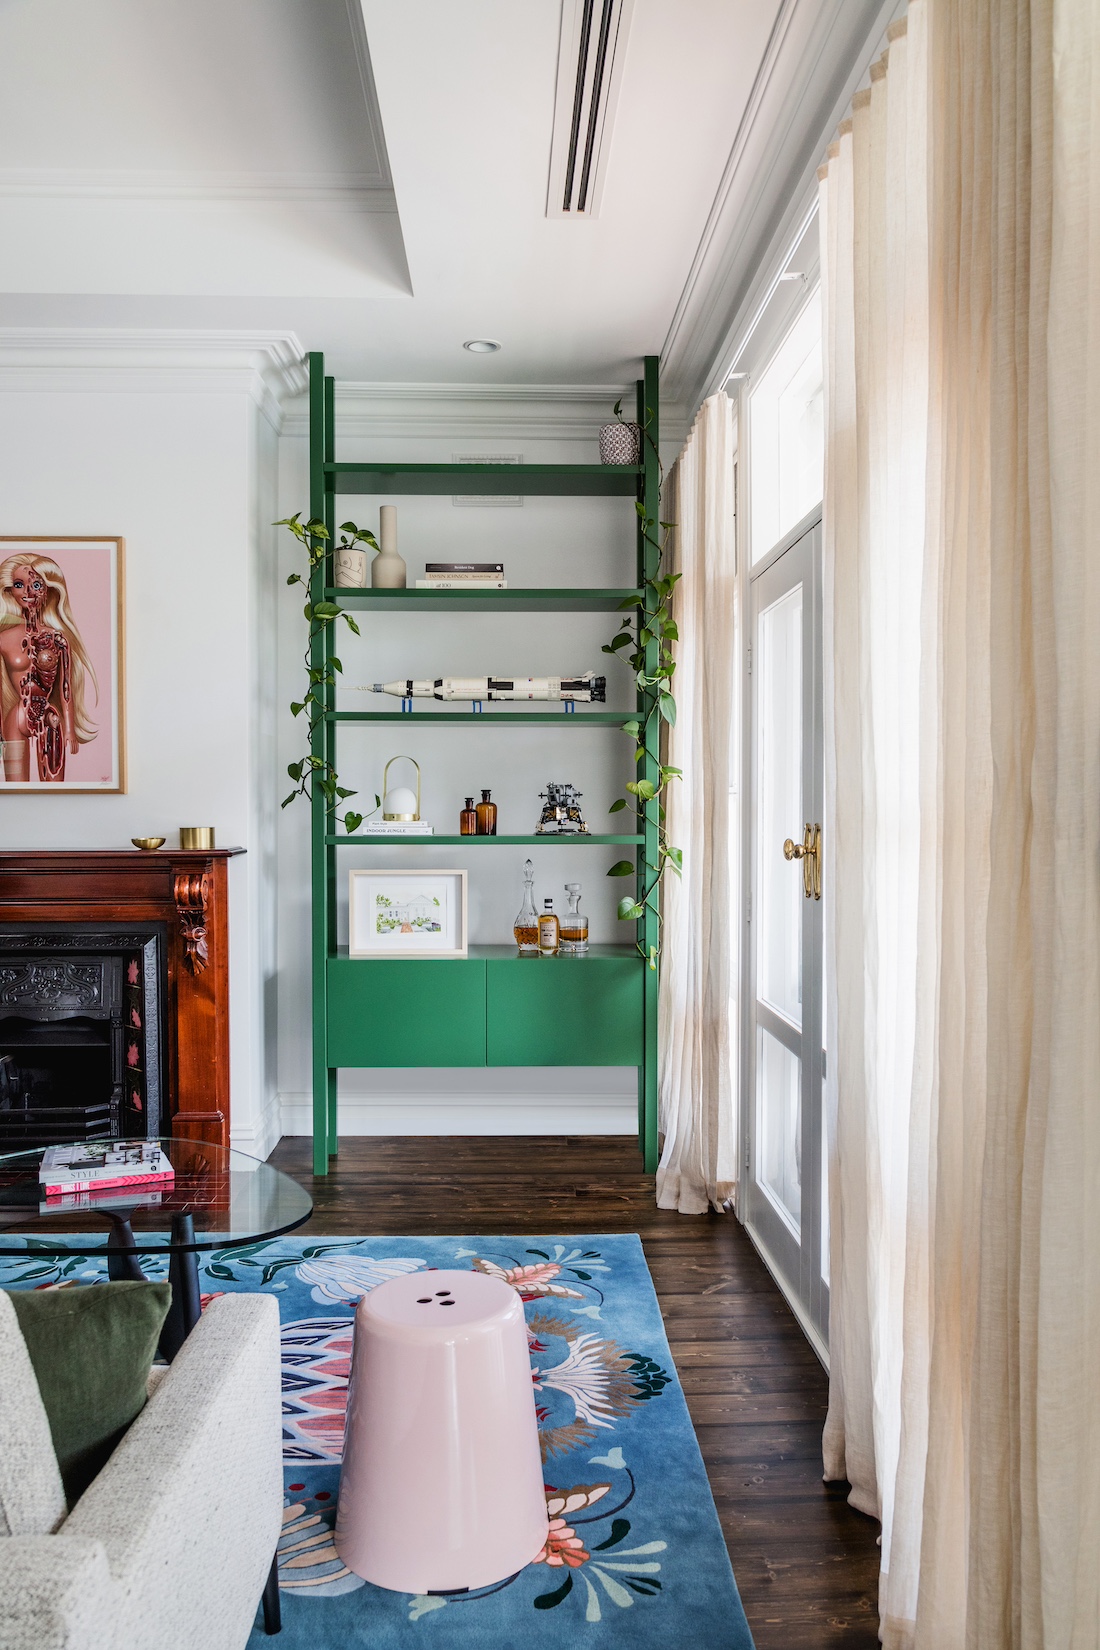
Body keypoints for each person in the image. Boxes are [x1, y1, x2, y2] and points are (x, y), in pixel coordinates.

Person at [0, 553, 97, 783]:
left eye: (35, 585)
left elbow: (65, 687)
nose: (27, 593)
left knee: (55, 790)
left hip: (49, 717)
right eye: (18, 585)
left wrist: (70, 728)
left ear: (48, 589)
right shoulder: (3, 639)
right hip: (15, 718)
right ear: (9, 591)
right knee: (16, 792)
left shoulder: (58, 639)